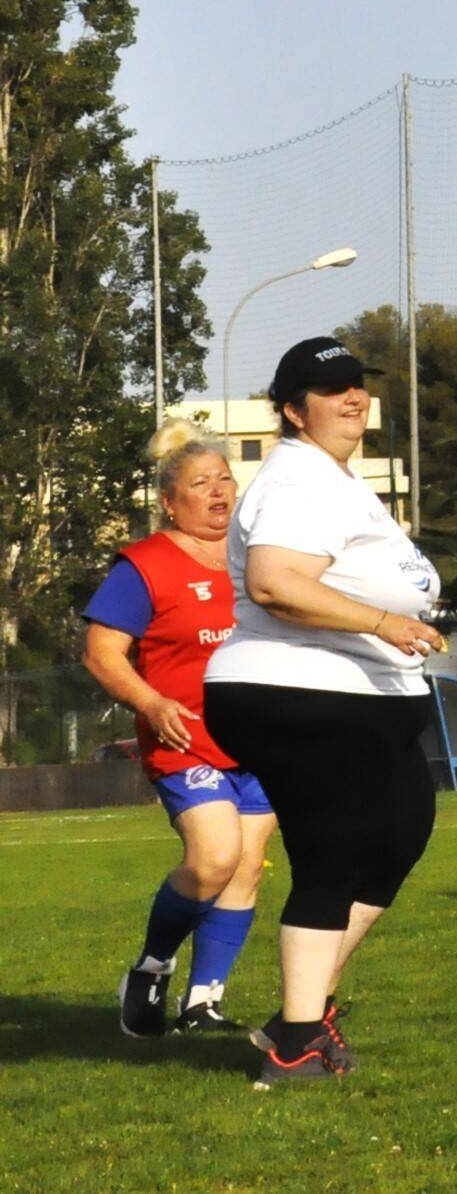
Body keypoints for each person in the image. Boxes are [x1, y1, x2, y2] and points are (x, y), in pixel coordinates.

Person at [203, 337, 447, 1087]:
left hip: (359, 694)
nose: (352, 397)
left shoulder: (336, 480)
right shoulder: (298, 480)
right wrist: (382, 623)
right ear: (290, 408)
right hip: (298, 690)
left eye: (357, 384)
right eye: (330, 387)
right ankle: (297, 1043)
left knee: (399, 831)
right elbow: (276, 582)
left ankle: (299, 1013)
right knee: (335, 852)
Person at [83, 420, 276, 1037]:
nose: (219, 492)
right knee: (214, 857)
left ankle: (203, 1003)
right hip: (185, 740)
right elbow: (102, 652)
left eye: (225, 479)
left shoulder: (257, 557)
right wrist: (153, 702)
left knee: (246, 865)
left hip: (260, 740)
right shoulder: (145, 565)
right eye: (201, 483)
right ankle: (152, 965)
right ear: (170, 501)